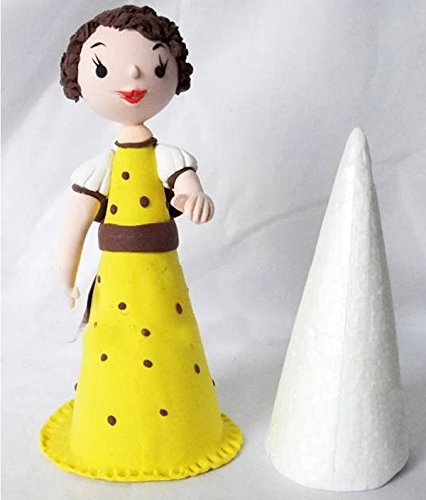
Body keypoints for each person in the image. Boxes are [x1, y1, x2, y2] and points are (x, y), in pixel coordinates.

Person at [40, 4, 243, 482]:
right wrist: (65, 277)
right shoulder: (99, 169)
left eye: (154, 64)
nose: (133, 76)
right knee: (114, 350)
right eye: (103, 68)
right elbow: (74, 226)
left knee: (170, 342)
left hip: (161, 282)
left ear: (174, 70)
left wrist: (194, 196)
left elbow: (187, 183)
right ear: (78, 79)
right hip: (116, 282)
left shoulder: (168, 156)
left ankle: (182, 429)